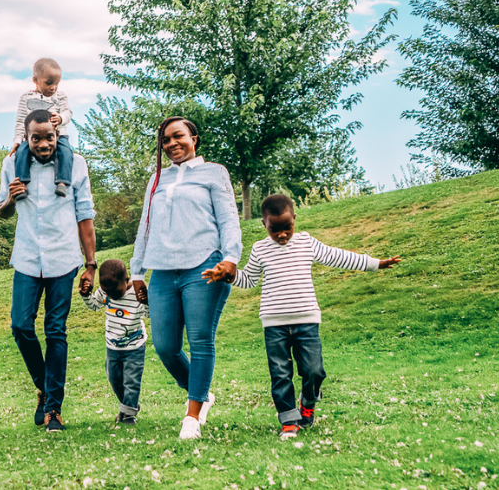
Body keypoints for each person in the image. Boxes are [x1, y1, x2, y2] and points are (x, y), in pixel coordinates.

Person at [203, 194, 401, 439]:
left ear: (294, 219)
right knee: (280, 374)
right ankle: (288, 420)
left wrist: (375, 264)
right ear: (264, 224)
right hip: (274, 324)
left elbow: (338, 256)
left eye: (287, 228)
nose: (282, 235)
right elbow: (250, 279)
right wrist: (229, 276)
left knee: (314, 370)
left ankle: (308, 400)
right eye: (275, 230)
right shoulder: (260, 249)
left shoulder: (307, 242)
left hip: (307, 321)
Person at [128, 116, 242, 440]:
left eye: (178, 136)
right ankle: (202, 391)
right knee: (165, 346)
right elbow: (145, 227)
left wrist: (231, 257)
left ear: (194, 138)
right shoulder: (156, 179)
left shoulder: (214, 172)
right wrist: (137, 271)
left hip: (204, 264)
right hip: (163, 269)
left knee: (201, 339)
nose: (171, 144)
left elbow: (229, 219)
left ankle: (191, 419)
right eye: (165, 140)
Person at [0, 108, 97, 433]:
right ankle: (44, 386)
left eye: (49, 138)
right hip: (26, 258)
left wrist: (90, 264)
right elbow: (1, 211)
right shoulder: (11, 164)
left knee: (56, 330)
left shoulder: (76, 164)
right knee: (20, 325)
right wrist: (9, 201)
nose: (43, 144)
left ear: (57, 135)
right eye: (36, 138)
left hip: (63, 259)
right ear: (25, 139)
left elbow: (85, 216)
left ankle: (53, 407)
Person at [80, 258, 148, 424]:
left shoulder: (136, 293)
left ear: (127, 280)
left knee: (131, 381)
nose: (111, 296)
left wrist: (146, 301)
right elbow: (95, 305)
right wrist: (85, 295)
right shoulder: (106, 292)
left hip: (134, 345)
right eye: (107, 293)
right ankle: (126, 407)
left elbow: (148, 314)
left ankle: (129, 414)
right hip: (112, 346)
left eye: (116, 293)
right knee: (114, 378)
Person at [11, 58, 75, 200]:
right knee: (21, 152)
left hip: (58, 136)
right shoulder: (26, 98)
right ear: (35, 80)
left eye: (56, 83)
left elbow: (68, 112)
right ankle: (22, 182)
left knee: (65, 151)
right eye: (49, 83)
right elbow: (21, 120)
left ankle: (62, 182)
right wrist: (17, 140)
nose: (53, 87)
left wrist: (60, 118)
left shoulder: (60, 96)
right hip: (32, 139)